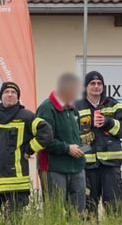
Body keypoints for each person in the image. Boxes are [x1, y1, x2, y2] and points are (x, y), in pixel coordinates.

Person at [0, 82, 53, 221]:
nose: (9, 94)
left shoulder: (26, 117)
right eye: (6, 92)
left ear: (17, 97)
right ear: (1, 96)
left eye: (13, 92)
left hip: (15, 181)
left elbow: (46, 132)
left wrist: (30, 149)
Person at [76, 71, 122, 219]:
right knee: (88, 207)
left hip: (110, 166)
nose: (96, 86)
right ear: (86, 87)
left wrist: (108, 122)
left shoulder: (113, 105)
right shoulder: (76, 106)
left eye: (99, 83)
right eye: (92, 84)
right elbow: (70, 133)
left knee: (114, 205)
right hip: (87, 166)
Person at [36, 73, 87, 217]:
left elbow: (77, 136)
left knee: (78, 214)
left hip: (77, 168)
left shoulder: (73, 109)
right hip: (53, 168)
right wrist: (67, 148)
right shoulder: (47, 108)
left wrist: (82, 148)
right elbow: (43, 139)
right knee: (55, 213)